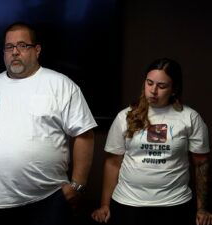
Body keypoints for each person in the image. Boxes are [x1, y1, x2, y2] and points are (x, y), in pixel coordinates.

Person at [0, 22, 97, 225]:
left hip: (48, 199)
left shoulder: (60, 84)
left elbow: (84, 134)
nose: (15, 52)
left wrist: (77, 186)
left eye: (22, 45)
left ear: (37, 50)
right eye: (9, 47)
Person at [91, 58, 212, 225]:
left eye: (162, 86)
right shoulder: (125, 116)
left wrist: (202, 208)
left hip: (174, 205)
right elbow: (113, 163)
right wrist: (104, 205)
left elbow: (201, 164)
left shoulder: (190, 117)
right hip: (128, 203)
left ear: (174, 89)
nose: (153, 90)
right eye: (149, 83)